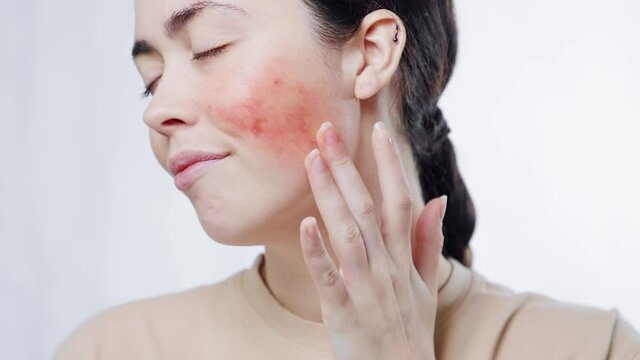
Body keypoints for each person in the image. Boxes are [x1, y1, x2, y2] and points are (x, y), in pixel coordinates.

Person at [55, 0, 640, 359]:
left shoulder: (591, 350)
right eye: (150, 79)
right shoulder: (110, 352)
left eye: (210, 47)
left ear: (368, 53)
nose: (156, 111)